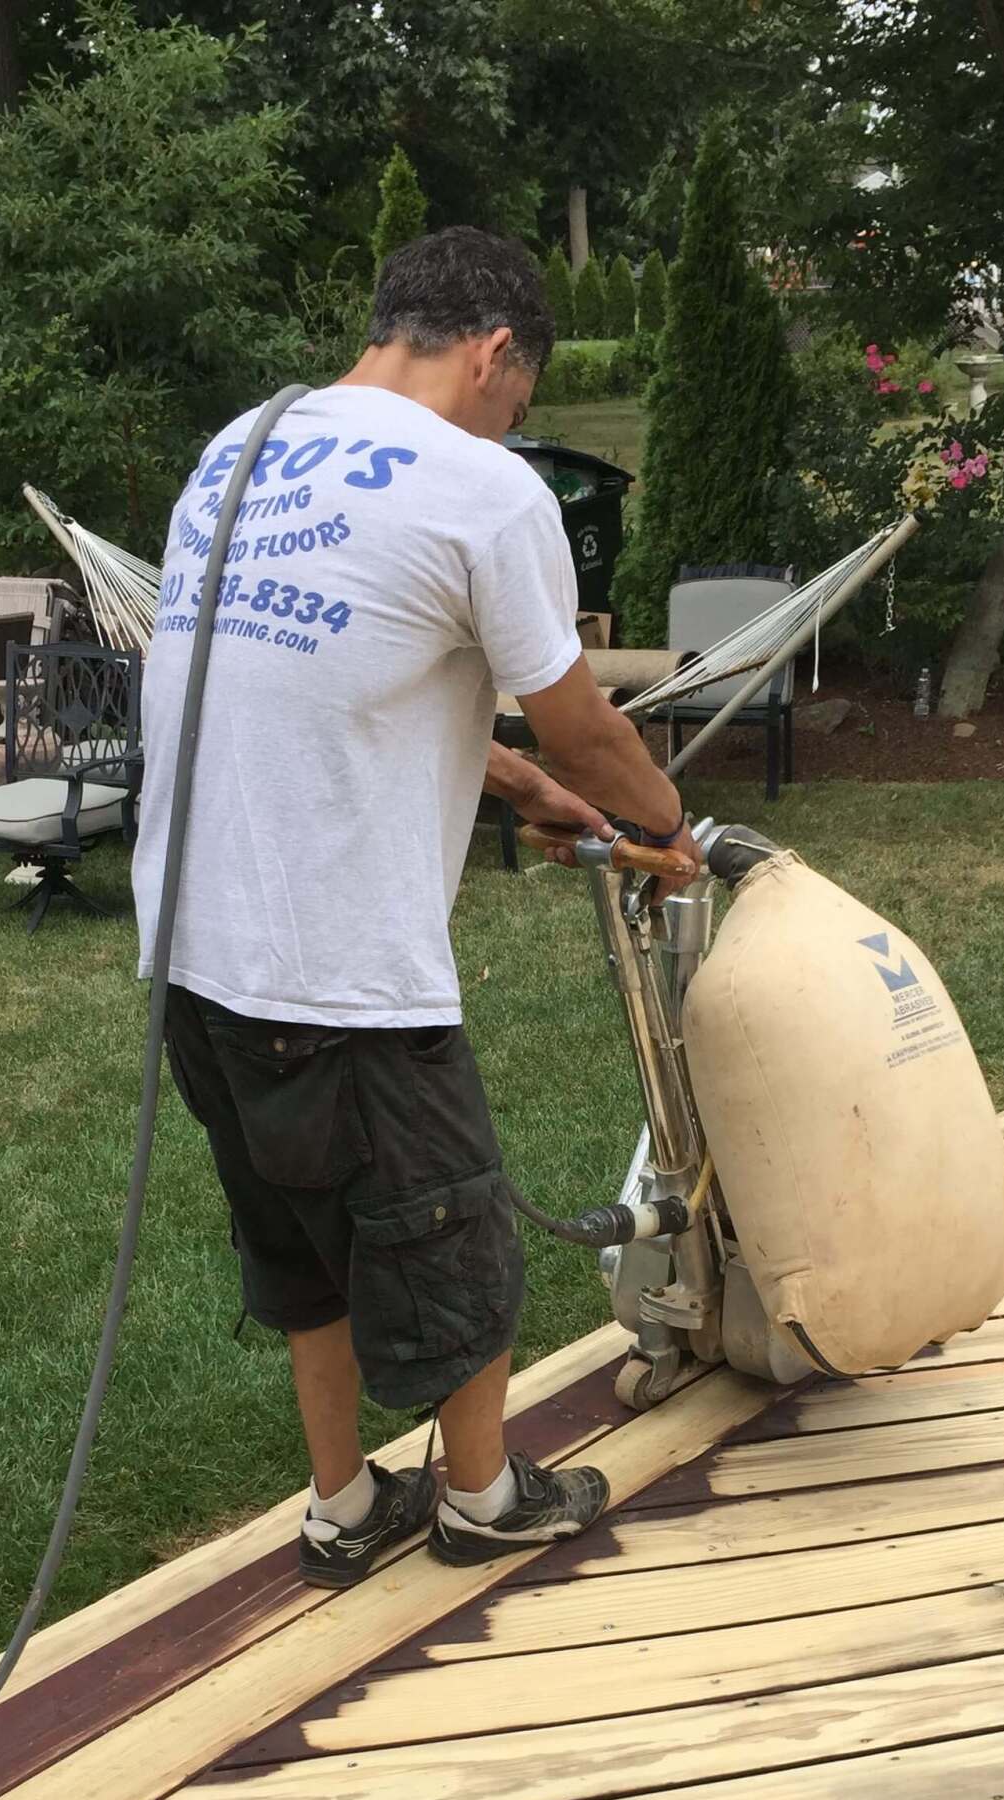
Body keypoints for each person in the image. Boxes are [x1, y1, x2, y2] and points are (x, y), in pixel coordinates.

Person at [134, 228, 698, 1588]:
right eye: (524, 394)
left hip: (192, 959)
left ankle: (342, 1507)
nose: (518, 421)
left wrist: (507, 786)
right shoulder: (481, 490)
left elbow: (325, 675)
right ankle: (485, 1497)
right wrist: (666, 831)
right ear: (497, 352)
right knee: (456, 1236)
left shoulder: (247, 444)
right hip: (328, 971)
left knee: (296, 1241)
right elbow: (585, 720)